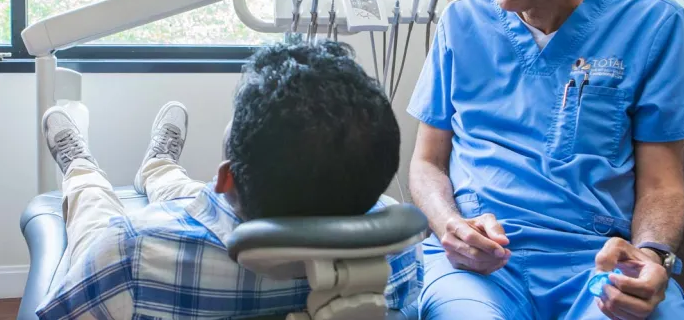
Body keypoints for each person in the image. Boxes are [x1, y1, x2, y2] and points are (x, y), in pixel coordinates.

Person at [407, 0, 684, 320]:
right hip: (481, 267)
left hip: (598, 262)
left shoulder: (652, 26)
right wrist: (450, 226)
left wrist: (651, 257)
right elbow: (427, 163)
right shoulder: (462, 23)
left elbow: (662, 183)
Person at [36, 40, 421, 319]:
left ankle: (81, 167)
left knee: (94, 211)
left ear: (226, 178)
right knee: (187, 194)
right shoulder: (398, 250)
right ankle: (158, 167)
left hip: (123, 256)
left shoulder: (131, 253)